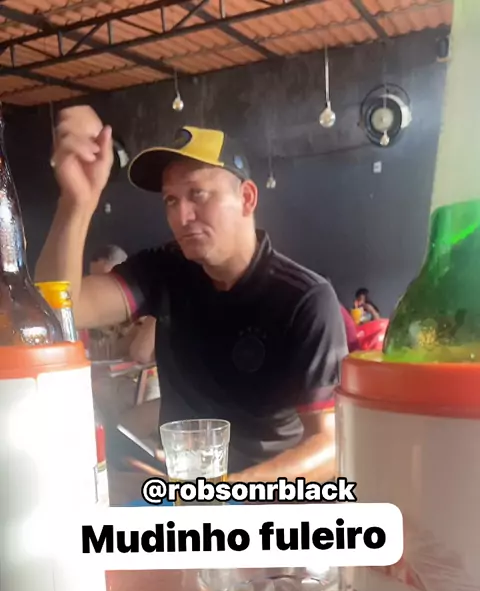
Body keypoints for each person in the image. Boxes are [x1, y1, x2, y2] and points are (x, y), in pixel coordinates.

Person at [36, 107, 347, 482]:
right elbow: (59, 309)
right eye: (171, 200)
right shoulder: (167, 268)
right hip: (182, 489)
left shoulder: (304, 299)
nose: (181, 217)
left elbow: (331, 445)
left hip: (271, 499)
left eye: (197, 194)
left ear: (247, 198)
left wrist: (228, 492)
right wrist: (76, 202)